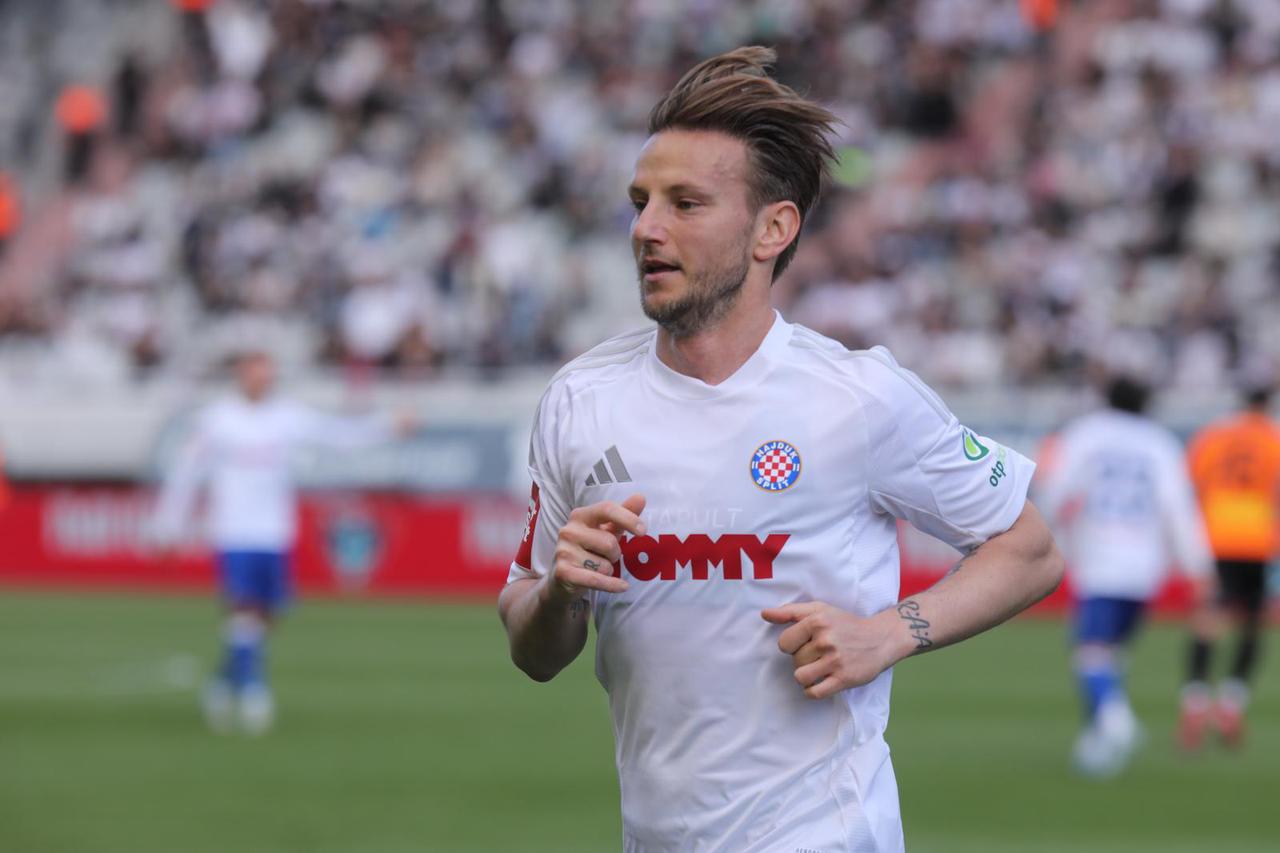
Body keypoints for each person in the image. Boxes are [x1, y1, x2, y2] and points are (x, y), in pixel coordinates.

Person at [498, 47, 1063, 853]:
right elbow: (532, 646)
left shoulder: (857, 397)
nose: (647, 228)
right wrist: (559, 593)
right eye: (641, 202)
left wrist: (889, 632)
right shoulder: (580, 400)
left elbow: (1029, 548)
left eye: (686, 203)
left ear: (774, 229)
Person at [151, 349, 412, 734]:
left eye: (268, 373)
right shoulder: (216, 420)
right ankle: (254, 692)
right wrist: (167, 526)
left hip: (274, 532)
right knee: (243, 611)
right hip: (234, 532)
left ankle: (223, 681)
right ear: (242, 375)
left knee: (266, 617)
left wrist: (387, 425)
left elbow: (338, 435)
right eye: (257, 372)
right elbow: (186, 472)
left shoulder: (286, 416)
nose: (264, 380)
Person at [1037, 375, 1213, 777]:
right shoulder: (1160, 443)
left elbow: (1056, 490)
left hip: (1099, 556)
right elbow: (1178, 508)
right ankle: (1097, 740)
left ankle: (1115, 722)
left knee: (1090, 652)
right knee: (1111, 653)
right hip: (1145, 564)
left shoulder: (1086, 434)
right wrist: (1198, 566)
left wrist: (1041, 536)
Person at [1179, 380, 1280, 749]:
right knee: (1252, 622)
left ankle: (1195, 702)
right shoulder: (1273, 439)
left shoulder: (1213, 437)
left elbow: (1192, 483)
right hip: (1257, 536)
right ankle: (1231, 702)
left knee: (1209, 619)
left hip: (1215, 534)